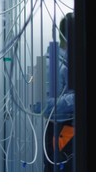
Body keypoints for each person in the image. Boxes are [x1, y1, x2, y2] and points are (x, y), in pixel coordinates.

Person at [42, 13, 74, 171]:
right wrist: (78, 98)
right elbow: (40, 106)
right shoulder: (49, 64)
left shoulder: (73, 62)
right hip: (61, 133)